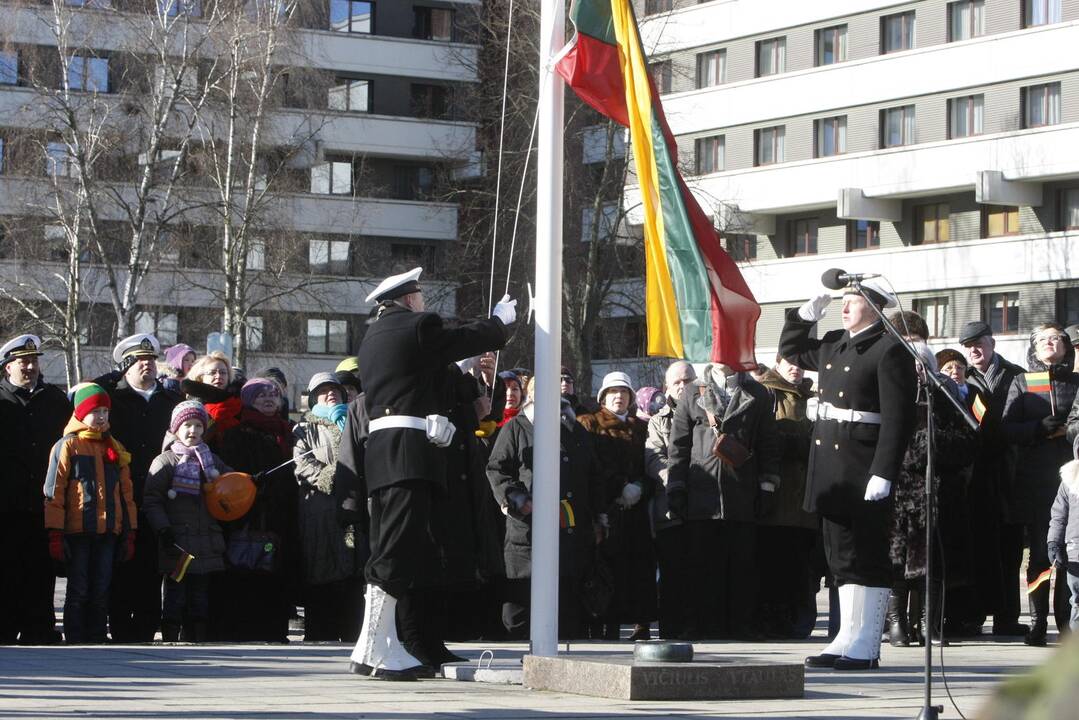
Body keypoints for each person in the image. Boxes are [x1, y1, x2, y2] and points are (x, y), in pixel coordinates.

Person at [348, 267, 514, 680]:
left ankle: (378, 644)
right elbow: (458, 340)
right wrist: (497, 324)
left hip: (389, 452)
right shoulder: (417, 325)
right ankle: (372, 647)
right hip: (408, 455)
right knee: (396, 549)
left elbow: (419, 379)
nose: (425, 303)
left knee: (393, 547)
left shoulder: (374, 336)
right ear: (409, 300)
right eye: (420, 296)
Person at [779, 279, 917, 670]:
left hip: (863, 465)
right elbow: (790, 350)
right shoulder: (835, 342)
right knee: (840, 559)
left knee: (867, 556)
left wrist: (884, 471)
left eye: (852, 301)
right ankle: (846, 636)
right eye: (845, 301)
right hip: (832, 469)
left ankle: (867, 644)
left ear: (875, 307)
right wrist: (807, 313)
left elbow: (898, 418)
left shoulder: (890, 349)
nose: (845, 307)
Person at [667, 362, 780, 640]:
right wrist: (677, 487)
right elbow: (679, 445)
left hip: (742, 492)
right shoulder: (692, 392)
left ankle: (741, 624)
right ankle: (706, 625)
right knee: (703, 565)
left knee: (743, 564)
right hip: (701, 495)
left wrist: (767, 486)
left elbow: (768, 443)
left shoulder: (758, 393)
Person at [486, 377, 602, 638]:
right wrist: (517, 499)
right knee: (518, 610)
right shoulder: (516, 427)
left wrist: (599, 517)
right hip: (526, 534)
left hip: (570, 533)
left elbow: (593, 475)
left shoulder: (574, 430)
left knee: (568, 609)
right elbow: (497, 469)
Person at [100, 333, 182, 643]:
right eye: (138, 361)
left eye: (150, 360)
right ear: (125, 366)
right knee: (123, 564)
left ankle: (147, 628)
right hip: (122, 493)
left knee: (152, 566)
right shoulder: (113, 399)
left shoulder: (171, 401)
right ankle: (120, 627)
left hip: (160, 496)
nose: (147, 365)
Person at [44, 383, 138, 643]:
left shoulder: (114, 447)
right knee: (79, 587)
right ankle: (75, 635)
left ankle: (97, 633)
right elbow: (54, 491)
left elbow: (126, 493)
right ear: (80, 413)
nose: (101, 417)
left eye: (105, 411)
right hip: (77, 531)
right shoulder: (67, 446)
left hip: (108, 531)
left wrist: (129, 531)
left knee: (101, 587)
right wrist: (55, 532)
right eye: (95, 411)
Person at [1008, 322, 1079, 645]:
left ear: (1066, 347)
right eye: (1043, 340)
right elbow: (1007, 429)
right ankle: (1037, 622)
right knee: (1039, 553)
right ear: (1034, 349)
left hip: (1070, 478)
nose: (1050, 343)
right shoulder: (1022, 382)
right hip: (1036, 478)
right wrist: (1037, 427)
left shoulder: (1077, 382)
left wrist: (1069, 431)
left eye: (1056, 339)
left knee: (1068, 551)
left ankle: (1066, 621)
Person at [214, 377, 298, 643]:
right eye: (261, 394)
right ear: (249, 400)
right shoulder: (238, 433)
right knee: (247, 567)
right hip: (249, 515)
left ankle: (274, 628)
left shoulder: (288, 431)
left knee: (277, 570)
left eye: (273, 394)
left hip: (281, 514)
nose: (268, 398)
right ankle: (244, 628)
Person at [0, 334, 71, 645]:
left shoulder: (54, 399)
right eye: (22, 361)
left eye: (33, 360)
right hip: (5, 501)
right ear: (7, 367)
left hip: (43, 501)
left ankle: (38, 627)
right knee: (6, 568)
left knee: (40, 569)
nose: (29, 367)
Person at [959, 320, 1027, 637]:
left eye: (979, 343)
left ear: (992, 344)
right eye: (969, 345)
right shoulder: (961, 377)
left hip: (1009, 472)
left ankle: (1007, 617)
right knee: (976, 546)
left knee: (1010, 548)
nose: (974, 350)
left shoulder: (1016, 375)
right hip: (975, 473)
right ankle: (972, 616)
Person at [143, 401, 230, 643]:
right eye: (187, 426)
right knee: (175, 595)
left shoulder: (211, 460)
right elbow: (152, 500)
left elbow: (230, 483)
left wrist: (249, 481)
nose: (193, 431)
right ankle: (171, 635)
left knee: (200, 597)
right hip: (177, 543)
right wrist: (163, 528)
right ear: (176, 429)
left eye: (198, 426)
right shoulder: (165, 461)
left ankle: (197, 637)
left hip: (206, 541)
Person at [578, 371, 655, 641]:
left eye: (624, 392)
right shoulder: (589, 423)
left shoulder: (642, 427)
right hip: (604, 508)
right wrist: (616, 489)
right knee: (603, 568)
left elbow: (651, 465)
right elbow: (590, 467)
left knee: (638, 568)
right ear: (603, 397)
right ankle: (601, 625)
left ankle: (640, 624)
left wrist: (641, 488)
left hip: (636, 509)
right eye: (613, 392)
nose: (619, 397)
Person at [293, 372, 365, 642]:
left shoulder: (356, 422)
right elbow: (302, 466)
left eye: (334, 389)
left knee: (355, 573)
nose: (330, 394)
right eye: (323, 391)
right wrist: (340, 474)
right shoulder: (304, 428)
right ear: (313, 398)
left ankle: (354, 634)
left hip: (356, 508)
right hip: (321, 510)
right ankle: (321, 633)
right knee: (323, 569)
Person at [755, 356, 819, 639]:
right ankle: (774, 619)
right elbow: (767, 438)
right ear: (777, 364)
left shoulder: (813, 395)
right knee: (776, 563)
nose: (796, 368)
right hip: (778, 498)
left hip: (807, 499)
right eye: (789, 362)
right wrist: (807, 441)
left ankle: (799, 620)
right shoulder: (766, 393)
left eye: (800, 363)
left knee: (804, 568)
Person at [646, 360, 696, 639]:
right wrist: (676, 479)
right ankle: (671, 630)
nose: (682, 386)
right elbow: (653, 458)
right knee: (672, 573)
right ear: (667, 388)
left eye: (687, 380)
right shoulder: (657, 421)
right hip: (669, 509)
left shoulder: (707, 414)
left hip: (702, 508)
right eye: (677, 382)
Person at [1049, 442, 1079, 633]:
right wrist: (1054, 542)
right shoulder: (1070, 479)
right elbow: (1059, 514)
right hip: (1076, 551)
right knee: (1077, 600)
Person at [183, 352, 242, 444]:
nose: (218, 376)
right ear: (200, 377)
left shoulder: (239, 403)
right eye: (213, 372)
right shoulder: (191, 407)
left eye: (223, 372)